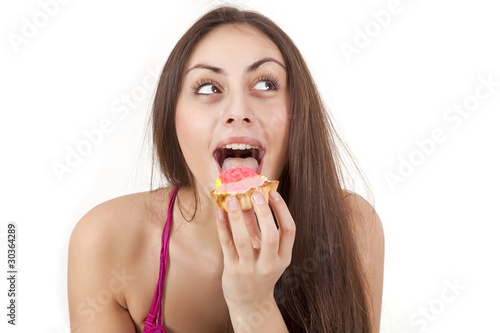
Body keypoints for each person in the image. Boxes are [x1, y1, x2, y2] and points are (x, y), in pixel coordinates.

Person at [68, 6, 384, 333]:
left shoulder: (353, 228)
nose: (237, 111)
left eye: (265, 84)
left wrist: (253, 304)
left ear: (298, 114)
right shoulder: (105, 241)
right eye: (208, 88)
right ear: (171, 117)